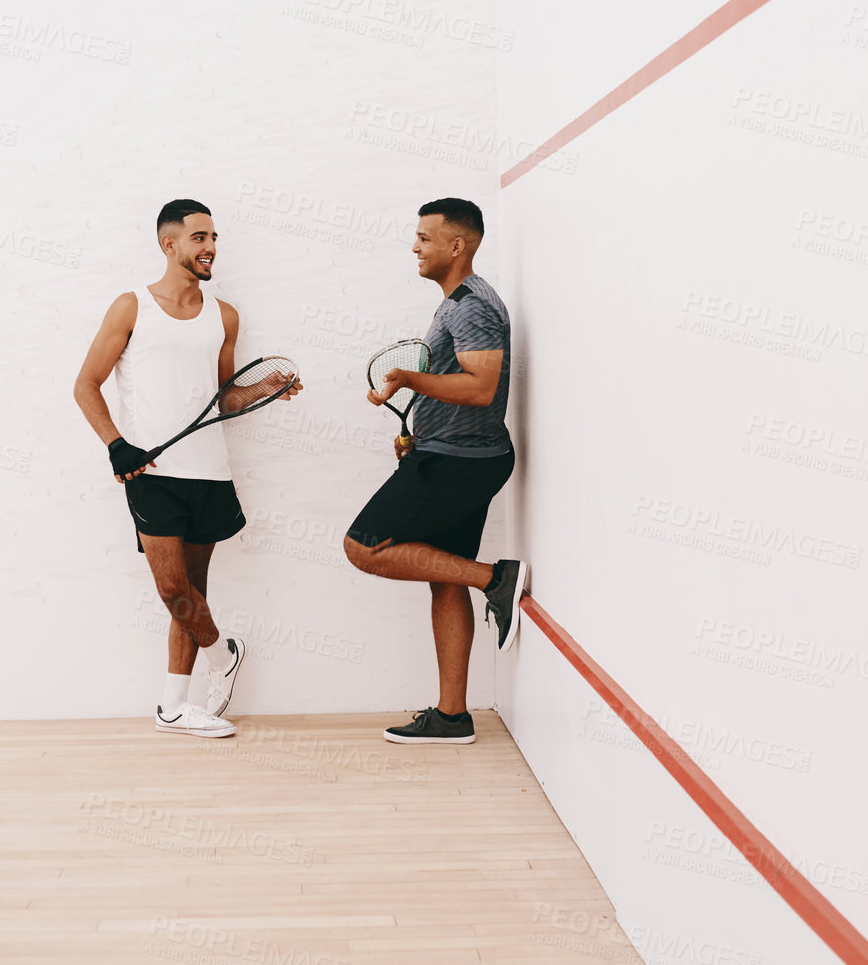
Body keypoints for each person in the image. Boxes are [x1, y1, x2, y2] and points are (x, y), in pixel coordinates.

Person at [74, 199, 301, 738]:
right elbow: (85, 384)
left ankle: (173, 705)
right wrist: (116, 445)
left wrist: (268, 388)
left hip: (209, 473)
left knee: (194, 590)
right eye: (199, 238)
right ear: (168, 244)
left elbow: (224, 399)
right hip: (150, 475)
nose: (210, 248)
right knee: (174, 588)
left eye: (214, 238)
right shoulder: (131, 307)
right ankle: (224, 654)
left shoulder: (224, 316)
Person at [344, 197, 528, 745]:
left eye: (425, 237)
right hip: (449, 453)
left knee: (364, 546)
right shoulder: (457, 302)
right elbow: (461, 382)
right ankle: (453, 717)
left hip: (459, 463)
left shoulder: (470, 304)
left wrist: (406, 378)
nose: (416, 246)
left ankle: (498, 579)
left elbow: (480, 387)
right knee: (442, 575)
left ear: (457, 245)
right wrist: (420, 430)